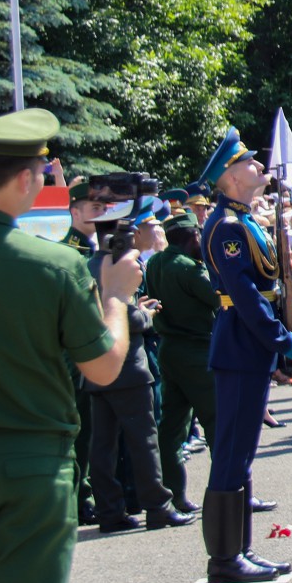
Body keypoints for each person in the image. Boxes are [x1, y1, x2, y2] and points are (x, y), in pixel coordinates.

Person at [0, 109, 138, 583]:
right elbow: (102, 368)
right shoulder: (50, 265)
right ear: (25, 178)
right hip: (30, 469)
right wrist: (117, 300)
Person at [197, 129, 292, 583]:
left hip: (249, 348)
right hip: (240, 346)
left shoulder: (243, 220)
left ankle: (240, 550)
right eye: (248, 162)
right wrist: (286, 341)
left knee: (242, 450)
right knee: (231, 453)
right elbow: (246, 298)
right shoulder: (227, 227)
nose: (258, 166)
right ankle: (226, 558)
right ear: (230, 178)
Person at [86, 210, 191, 533]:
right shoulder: (121, 265)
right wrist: (144, 315)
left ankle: (109, 510)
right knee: (143, 440)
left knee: (102, 445)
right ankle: (157, 506)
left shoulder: (88, 265)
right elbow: (125, 316)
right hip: (128, 365)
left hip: (94, 365)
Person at [144, 209, 219, 510]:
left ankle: (174, 494)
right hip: (196, 352)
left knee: (172, 428)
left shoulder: (154, 262)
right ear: (192, 236)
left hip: (169, 350)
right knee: (218, 423)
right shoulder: (190, 269)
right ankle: (229, 493)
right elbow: (216, 298)